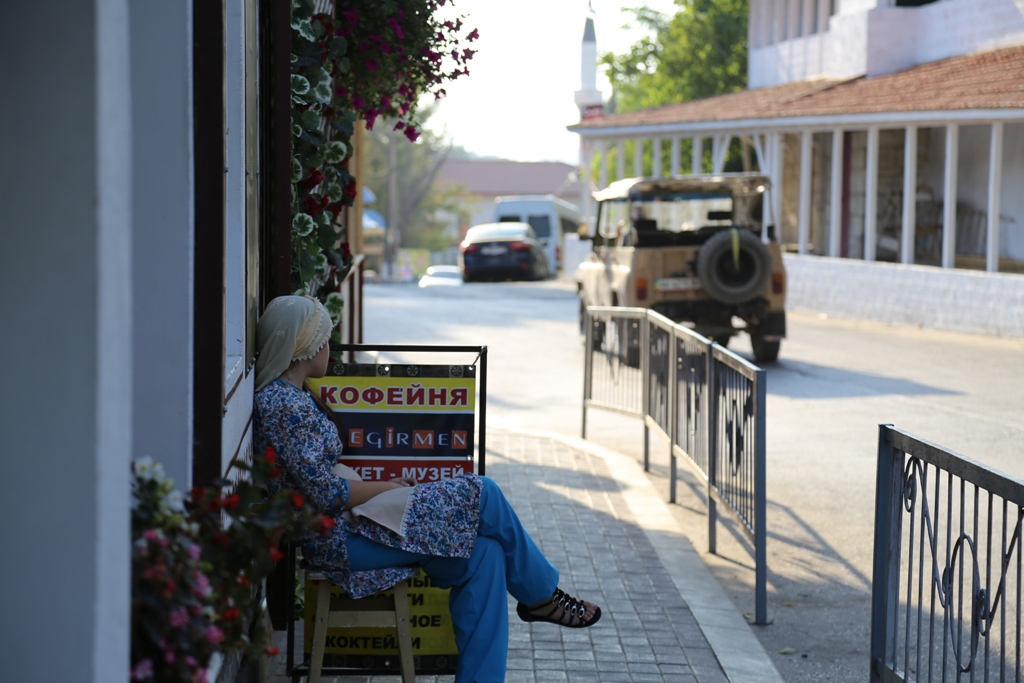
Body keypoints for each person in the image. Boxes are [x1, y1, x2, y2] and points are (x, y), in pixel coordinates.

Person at [252, 295, 601, 683]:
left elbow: (323, 483)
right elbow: (326, 495)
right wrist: (382, 488)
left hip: (352, 525)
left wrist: (378, 490)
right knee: (483, 492)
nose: (330, 348)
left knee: (485, 555)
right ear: (307, 346)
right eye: (326, 339)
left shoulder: (292, 398)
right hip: (336, 537)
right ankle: (540, 596)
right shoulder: (282, 403)